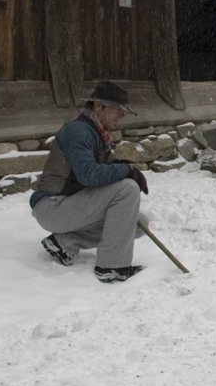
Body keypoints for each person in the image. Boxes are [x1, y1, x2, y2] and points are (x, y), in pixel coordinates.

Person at [31, 81, 151, 283]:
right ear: (98, 106)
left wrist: (123, 167)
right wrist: (127, 171)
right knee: (127, 189)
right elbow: (89, 175)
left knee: (138, 223)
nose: (122, 115)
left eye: (124, 111)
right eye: (118, 109)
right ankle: (112, 266)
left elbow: (103, 170)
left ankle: (64, 243)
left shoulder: (97, 133)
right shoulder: (78, 131)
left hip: (71, 206)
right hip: (53, 206)